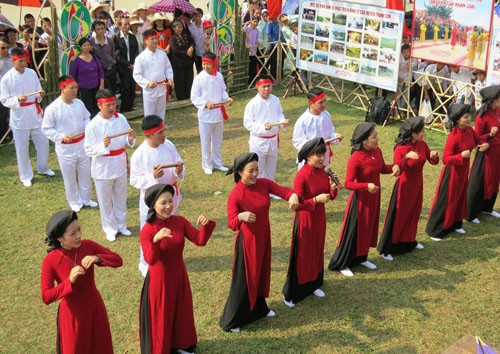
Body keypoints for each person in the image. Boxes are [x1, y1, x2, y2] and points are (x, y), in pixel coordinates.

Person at [219, 152, 299, 332]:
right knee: (245, 279)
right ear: (239, 172)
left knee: (261, 274)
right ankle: (233, 320)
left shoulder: (263, 184)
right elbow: (232, 223)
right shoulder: (236, 195)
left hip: (264, 237)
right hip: (247, 243)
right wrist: (240, 216)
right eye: (250, 171)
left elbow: (285, 191)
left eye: (257, 169)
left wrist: (293, 196)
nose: (255, 174)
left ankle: (259, 308)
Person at [139, 184, 216, 354]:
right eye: (163, 203)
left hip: (179, 274)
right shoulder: (148, 230)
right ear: (153, 205)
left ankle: (182, 344)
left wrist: (205, 226)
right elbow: (150, 259)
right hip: (160, 280)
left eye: (170, 201)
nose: (168, 206)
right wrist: (156, 240)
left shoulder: (179, 221)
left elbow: (199, 241)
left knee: (181, 311)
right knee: (163, 314)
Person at [41, 210, 123, 354]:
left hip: (94, 308)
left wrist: (97, 258)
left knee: (100, 347)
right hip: (72, 316)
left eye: (79, 229)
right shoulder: (50, 260)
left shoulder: (88, 246)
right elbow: (47, 296)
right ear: (60, 238)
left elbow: (118, 260)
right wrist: (69, 281)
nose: (79, 235)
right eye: (73, 234)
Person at [328, 123, 400, 277]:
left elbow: (381, 168)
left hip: (374, 198)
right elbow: (348, 183)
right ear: (364, 141)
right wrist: (366, 186)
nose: (377, 139)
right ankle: (343, 262)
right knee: (355, 231)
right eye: (374, 137)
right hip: (360, 200)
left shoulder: (377, 151)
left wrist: (394, 167)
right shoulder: (356, 158)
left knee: (368, 229)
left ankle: (361, 257)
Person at [282, 138, 338, 307]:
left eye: (323, 154)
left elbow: (328, 196)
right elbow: (297, 205)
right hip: (306, 219)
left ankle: (314, 283)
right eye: (318, 155)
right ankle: (293, 292)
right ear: (307, 157)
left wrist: (333, 188)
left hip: (319, 217)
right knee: (303, 254)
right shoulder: (302, 175)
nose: (322, 159)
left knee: (316, 249)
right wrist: (315, 200)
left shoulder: (323, 171)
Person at [130, 115, 185, 277]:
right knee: (148, 232)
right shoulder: (139, 155)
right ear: (149, 135)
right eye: (160, 132)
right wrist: (152, 176)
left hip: (170, 197)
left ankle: (168, 256)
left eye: (164, 131)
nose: (164, 135)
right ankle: (145, 263)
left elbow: (179, 163)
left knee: (169, 227)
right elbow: (134, 180)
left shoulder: (169, 145)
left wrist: (179, 171)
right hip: (151, 200)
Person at [377, 117, 439, 260]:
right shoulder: (401, 148)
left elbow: (431, 160)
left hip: (418, 185)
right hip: (404, 187)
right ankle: (390, 247)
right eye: (421, 131)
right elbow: (396, 169)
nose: (424, 133)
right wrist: (405, 158)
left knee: (414, 213)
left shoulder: (422, 144)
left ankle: (409, 240)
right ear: (413, 134)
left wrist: (434, 156)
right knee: (400, 216)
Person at [425, 104, 489, 239]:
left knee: (460, 197)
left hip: (463, 171)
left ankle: (455, 224)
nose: (469, 118)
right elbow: (445, 158)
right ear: (458, 120)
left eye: (469, 115)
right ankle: (435, 229)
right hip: (452, 173)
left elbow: (478, 140)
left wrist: (484, 143)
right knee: (447, 200)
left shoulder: (469, 131)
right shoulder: (453, 136)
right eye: (466, 117)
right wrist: (460, 156)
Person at [84, 89, 136, 241]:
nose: (112, 107)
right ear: (99, 105)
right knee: (105, 200)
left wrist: (130, 138)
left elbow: (127, 139)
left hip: (119, 162)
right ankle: (109, 228)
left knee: (121, 196)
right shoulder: (93, 125)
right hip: (103, 167)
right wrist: (102, 146)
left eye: (113, 104)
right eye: (108, 105)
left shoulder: (121, 119)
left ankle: (121, 225)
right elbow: (88, 149)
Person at [42, 75, 98, 212]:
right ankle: (74, 201)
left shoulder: (79, 103)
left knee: (85, 172)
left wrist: (87, 127)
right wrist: (60, 136)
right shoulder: (53, 108)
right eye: (71, 88)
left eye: (76, 87)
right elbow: (46, 128)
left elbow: (86, 117)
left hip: (82, 144)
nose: (75, 90)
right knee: (70, 176)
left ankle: (86, 198)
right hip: (66, 148)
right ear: (63, 89)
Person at [0, 47, 54, 187]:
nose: (24, 63)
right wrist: (17, 100)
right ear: (14, 61)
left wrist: (40, 95)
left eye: (25, 60)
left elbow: (37, 90)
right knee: (22, 147)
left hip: (34, 113)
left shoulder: (31, 73)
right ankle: (25, 175)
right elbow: (4, 100)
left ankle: (43, 167)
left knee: (43, 142)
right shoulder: (6, 79)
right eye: (21, 61)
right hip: (19, 116)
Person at [190, 52, 234, 175]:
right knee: (206, 141)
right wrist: (205, 104)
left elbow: (223, 91)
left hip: (218, 114)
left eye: (208, 64)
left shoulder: (219, 76)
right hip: (205, 115)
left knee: (217, 140)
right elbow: (194, 97)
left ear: (214, 63)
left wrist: (227, 98)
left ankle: (217, 163)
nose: (205, 66)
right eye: (204, 64)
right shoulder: (199, 78)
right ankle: (207, 164)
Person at [243, 74, 289, 184]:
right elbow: (248, 123)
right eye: (264, 86)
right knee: (258, 168)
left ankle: (271, 189)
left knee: (271, 166)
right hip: (259, 141)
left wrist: (282, 122)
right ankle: (258, 191)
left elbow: (279, 114)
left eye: (269, 86)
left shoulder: (275, 100)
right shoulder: (252, 104)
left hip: (273, 139)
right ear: (257, 87)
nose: (267, 89)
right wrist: (262, 128)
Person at [466, 86, 500, 222]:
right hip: (486, 151)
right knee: (480, 180)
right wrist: (489, 135)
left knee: (494, 179)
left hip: (497, 151)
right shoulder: (482, 116)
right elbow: (476, 137)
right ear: (492, 100)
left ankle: (487, 207)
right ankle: (471, 212)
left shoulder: (497, 111)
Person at [292, 87, 343, 169]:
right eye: (320, 102)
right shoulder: (303, 120)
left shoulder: (326, 115)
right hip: (310, 158)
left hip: (324, 156)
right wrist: (314, 148)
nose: (324, 105)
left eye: (325, 101)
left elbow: (330, 133)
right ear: (311, 103)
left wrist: (336, 137)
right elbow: (298, 142)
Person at [133, 29, 174, 121]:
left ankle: (161, 133)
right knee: (150, 114)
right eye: (152, 39)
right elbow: (137, 75)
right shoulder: (141, 58)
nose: (155, 41)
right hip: (150, 90)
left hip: (162, 88)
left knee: (161, 113)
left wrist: (170, 78)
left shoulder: (162, 54)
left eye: (156, 38)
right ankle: (150, 134)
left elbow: (168, 68)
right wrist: (147, 83)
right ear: (145, 41)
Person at [70, 37, 104, 117]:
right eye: (84, 45)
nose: (87, 47)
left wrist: (101, 85)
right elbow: (73, 75)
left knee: (97, 105)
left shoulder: (94, 57)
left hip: (96, 86)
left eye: (88, 45)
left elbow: (100, 72)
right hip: (84, 88)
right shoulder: (77, 60)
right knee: (88, 107)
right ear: (81, 47)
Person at [114, 16, 139, 113]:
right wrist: (127, 64)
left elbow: (136, 51)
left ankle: (130, 106)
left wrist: (134, 63)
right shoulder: (116, 37)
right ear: (120, 26)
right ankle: (124, 108)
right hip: (123, 67)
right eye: (125, 24)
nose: (127, 26)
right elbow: (116, 55)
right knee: (125, 87)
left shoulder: (132, 37)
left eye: (128, 24)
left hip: (133, 66)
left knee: (132, 87)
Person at [169, 21, 195, 100]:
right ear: (174, 28)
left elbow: (192, 41)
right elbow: (175, 50)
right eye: (178, 27)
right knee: (180, 80)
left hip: (188, 62)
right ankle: (181, 97)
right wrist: (186, 53)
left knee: (189, 79)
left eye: (181, 27)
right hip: (179, 63)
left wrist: (191, 48)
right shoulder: (172, 38)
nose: (180, 29)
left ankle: (188, 96)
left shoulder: (185, 35)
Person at [90, 20, 117, 94]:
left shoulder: (110, 41)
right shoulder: (91, 42)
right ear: (94, 30)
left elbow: (112, 54)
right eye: (98, 29)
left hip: (111, 69)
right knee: (103, 92)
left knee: (112, 90)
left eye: (102, 28)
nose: (101, 31)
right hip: (99, 71)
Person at [0, 36, 13, 143]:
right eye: (2, 48)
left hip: (13, 90)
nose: (5, 50)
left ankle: (12, 134)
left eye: (7, 48)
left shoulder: (12, 58)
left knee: (12, 112)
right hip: (1, 91)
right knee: (2, 114)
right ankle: (3, 137)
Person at [243, 16, 260, 85]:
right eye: (254, 21)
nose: (255, 23)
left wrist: (258, 42)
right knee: (248, 67)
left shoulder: (257, 30)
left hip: (253, 51)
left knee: (253, 67)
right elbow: (243, 30)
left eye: (257, 22)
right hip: (247, 51)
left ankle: (252, 82)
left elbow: (256, 39)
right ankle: (246, 82)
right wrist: (246, 24)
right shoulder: (247, 28)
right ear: (251, 21)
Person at [189, 8, 205, 73]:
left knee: (206, 70)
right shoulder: (190, 27)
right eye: (196, 16)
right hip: (197, 53)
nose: (198, 18)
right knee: (199, 70)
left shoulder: (205, 25)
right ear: (193, 16)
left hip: (205, 52)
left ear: (202, 16)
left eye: (199, 16)